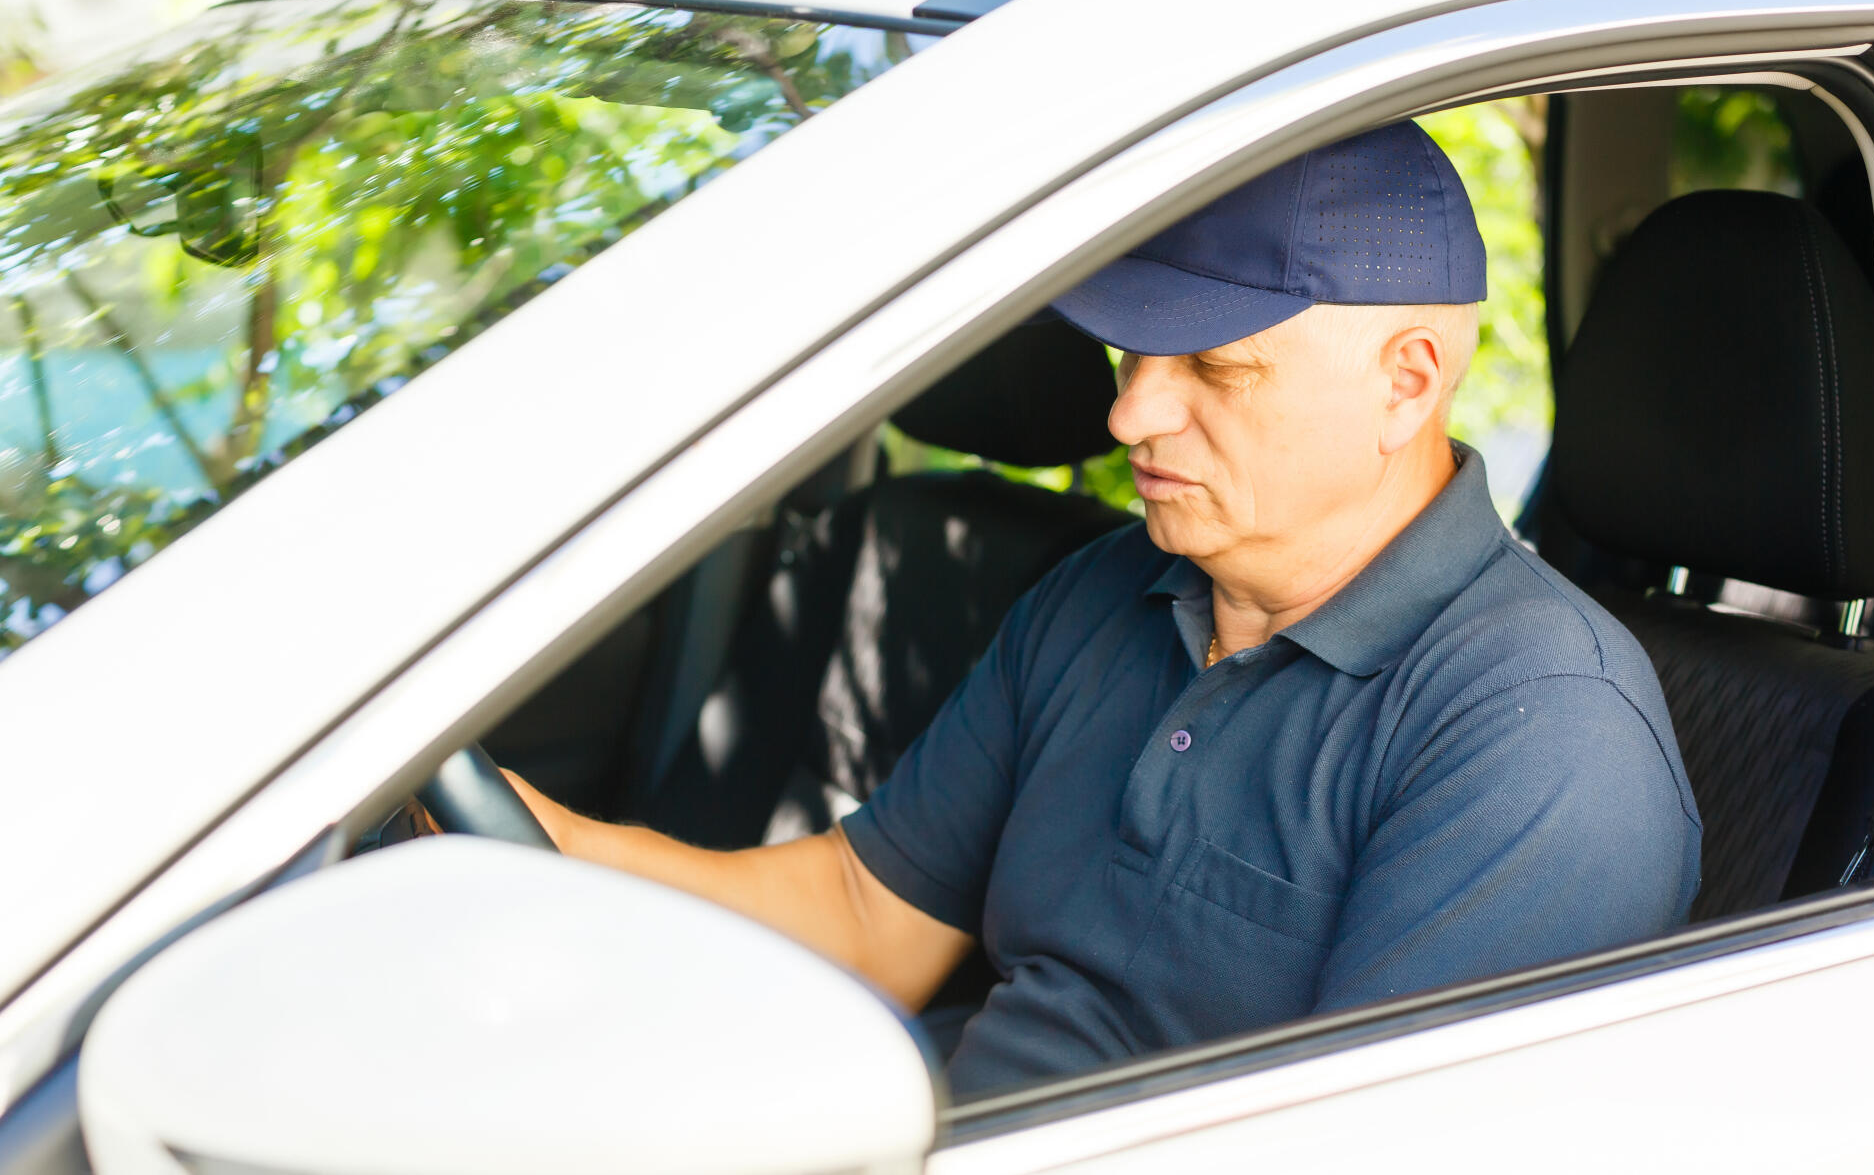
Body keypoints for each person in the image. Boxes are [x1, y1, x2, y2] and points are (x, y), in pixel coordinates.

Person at [504, 121, 1701, 1095]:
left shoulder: (1539, 737)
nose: (1129, 418)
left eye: (1213, 370)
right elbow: (865, 911)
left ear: (1405, 381)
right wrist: (531, 845)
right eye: (1132, 358)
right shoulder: (1106, 591)